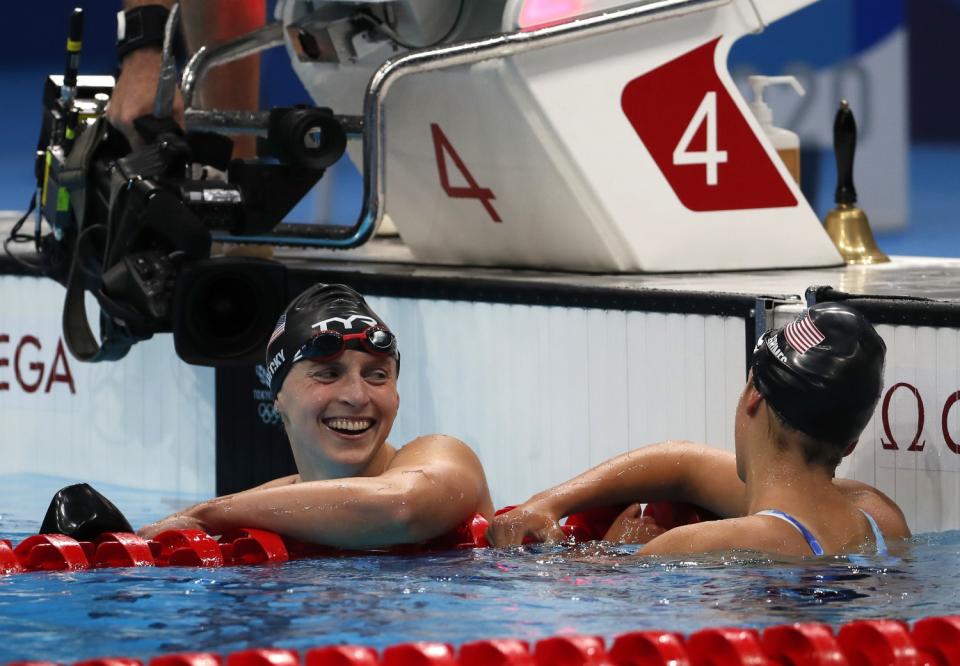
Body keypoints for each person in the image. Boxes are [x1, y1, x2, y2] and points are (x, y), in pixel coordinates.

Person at [488, 303, 911, 557]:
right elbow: (685, 463)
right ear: (850, 441)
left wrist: (617, 554)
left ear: (753, 397)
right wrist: (549, 502)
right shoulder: (881, 518)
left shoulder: (702, 546)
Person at [138, 283, 494, 547]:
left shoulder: (444, 457)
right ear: (278, 397)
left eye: (377, 375)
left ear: (396, 395)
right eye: (328, 373)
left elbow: (400, 507)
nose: (356, 396)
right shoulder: (265, 504)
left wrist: (205, 515)